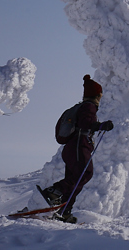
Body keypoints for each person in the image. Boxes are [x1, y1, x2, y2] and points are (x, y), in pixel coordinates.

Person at [39, 74, 114, 224]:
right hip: (79, 146)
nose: (101, 97)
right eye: (100, 95)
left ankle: (64, 212)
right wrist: (100, 126)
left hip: (72, 148)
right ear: (97, 94)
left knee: (75, 180)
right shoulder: (88, 107)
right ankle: (54, 192)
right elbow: (86, 123)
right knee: (84, 173)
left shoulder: (81, 106)